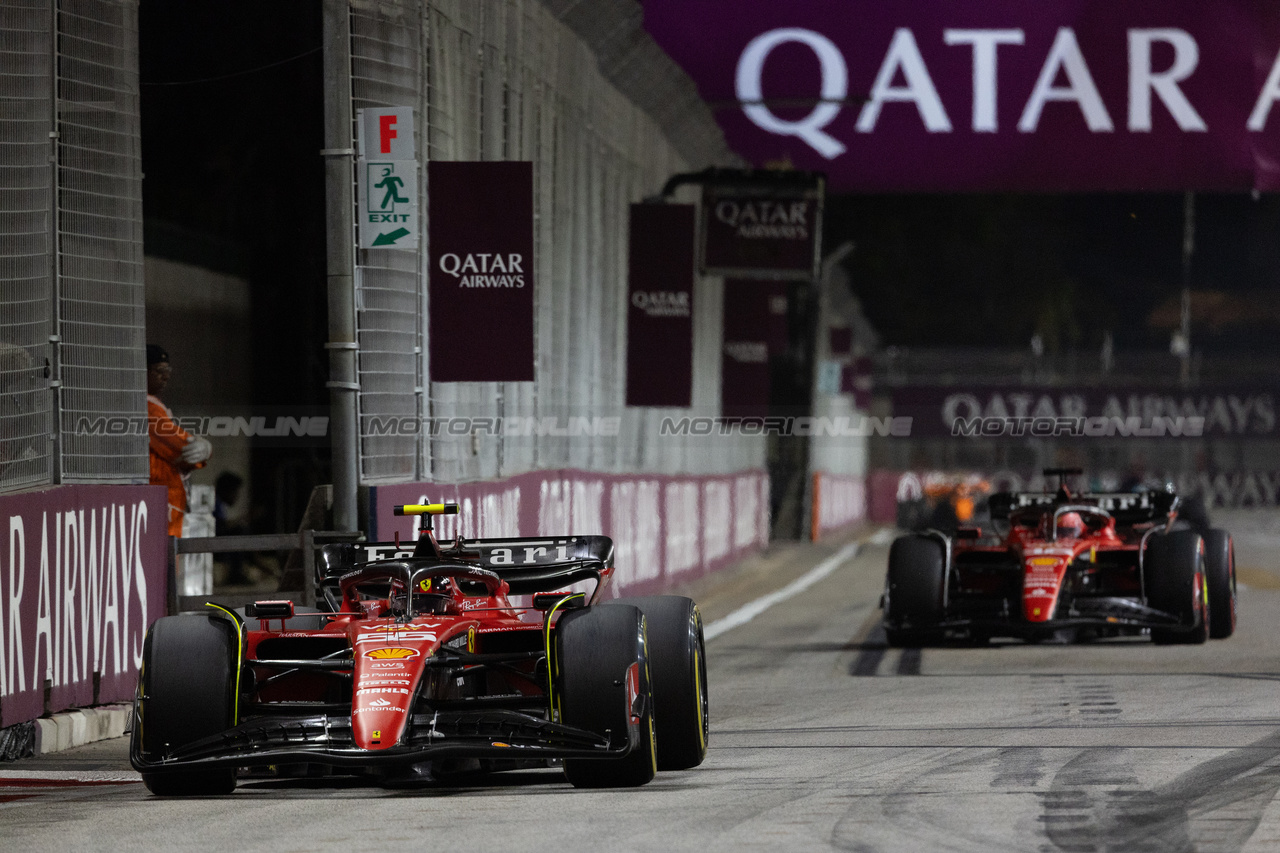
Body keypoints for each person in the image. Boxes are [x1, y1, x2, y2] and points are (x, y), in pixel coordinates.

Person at [147, 344, 211, 536]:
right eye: (160, 370)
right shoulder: (147, 407)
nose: (166, 376)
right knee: (164, 562)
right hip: (159, 502)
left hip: (161, 501)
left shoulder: (152, 404)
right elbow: (181, 448)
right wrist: (205, 448)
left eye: (168, 370)